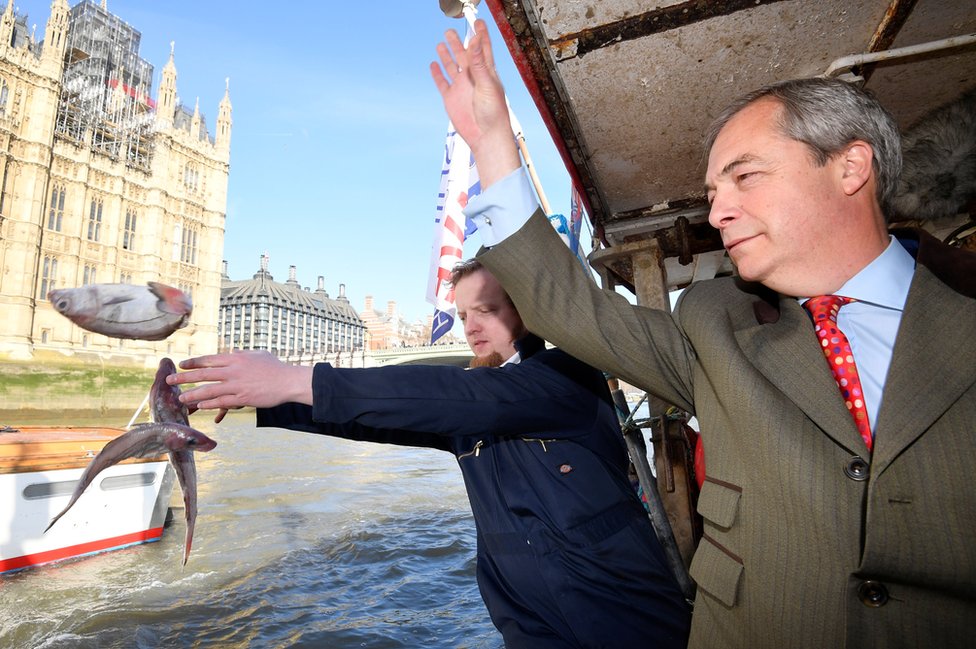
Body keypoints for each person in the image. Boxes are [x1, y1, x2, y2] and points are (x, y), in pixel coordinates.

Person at [430, 20, 976, 649]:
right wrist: (492, 139)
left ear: (850, 167)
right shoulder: (717, 324)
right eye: (714, 192)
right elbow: (567, 307)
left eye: (746, 178)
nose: (716, 212)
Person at [169, 260, 692, 649]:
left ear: (529, 309)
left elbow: (460, 397)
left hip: (622, 613)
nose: (472, 326)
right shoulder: (473, 403)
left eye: (488, 309)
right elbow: (385, 415)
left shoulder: (564, 377)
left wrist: (292, 377)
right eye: (464, 314)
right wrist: (277, 398)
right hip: (531, 620)